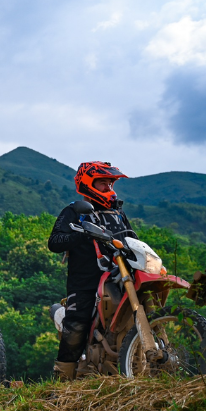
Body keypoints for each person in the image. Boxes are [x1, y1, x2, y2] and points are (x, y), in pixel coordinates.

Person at [47, 161, 137, 380]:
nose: (109, 188)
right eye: (103, 183)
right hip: (86, 281)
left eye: (110, 183)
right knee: (76, 325)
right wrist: (82, 234)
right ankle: (63, 379)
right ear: (88, 184)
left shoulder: (117, 212)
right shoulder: (74, 211)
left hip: (118, 276)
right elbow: (55, 242)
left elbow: (132, 238)